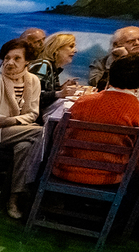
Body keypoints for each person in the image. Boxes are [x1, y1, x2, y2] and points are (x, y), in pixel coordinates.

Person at [0, 38, 43, 219]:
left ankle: (13, 198)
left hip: (15, 132)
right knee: (43, 132)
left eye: (16, 58)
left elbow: (33, 114)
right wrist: (18, 121)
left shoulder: (33, 81)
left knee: (26, 146)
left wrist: (12, 121)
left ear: (27, 61)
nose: (10, 63)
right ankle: (32, 189)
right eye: (7, 58)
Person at [53, 54, 139, 185]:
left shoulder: (83, 101)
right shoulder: (136, 110)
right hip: (110, 178)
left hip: (64, 170)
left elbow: (57, 136)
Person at [30, 32, 80, 117]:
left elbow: (45, 91)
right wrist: (59, 93)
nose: (75, 50)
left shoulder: (51, 67)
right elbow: (32, 96)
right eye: (71, 46)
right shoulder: (43, 65)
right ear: (56, 49)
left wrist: (61, 88)